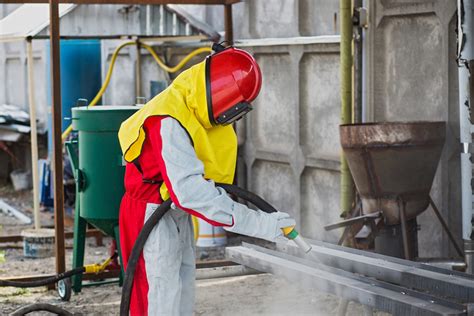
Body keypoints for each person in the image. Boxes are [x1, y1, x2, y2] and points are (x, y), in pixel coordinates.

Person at [117, 44, 296, 316]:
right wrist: (262, 224)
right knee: (160, 300)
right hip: (149, 215)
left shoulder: (196, 106)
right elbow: (190, 193)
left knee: (182, 292)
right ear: (222, 94)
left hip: (173, 212)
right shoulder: (169, 121)